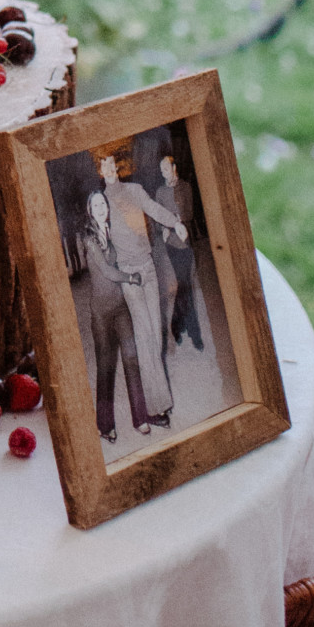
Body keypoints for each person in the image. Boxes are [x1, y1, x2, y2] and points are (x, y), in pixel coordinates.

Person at [95, 145, 188, 427]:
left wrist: (175, 222)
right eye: (104, 166)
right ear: (99, 171)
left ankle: (157, 400)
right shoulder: (101, 201)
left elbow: (153, 208)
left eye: (112, 165)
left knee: (155, 339)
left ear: (117, 167)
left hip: (148, 268)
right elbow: (98, 230)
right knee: (145, 337)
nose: (109, 170)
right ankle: (155, 407)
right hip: (131, 276)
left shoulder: (134, 190)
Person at [82, 191, 150, 441]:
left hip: (120, 307)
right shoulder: (89, 238)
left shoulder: (113, 231)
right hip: (101, 313)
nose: (100, 207)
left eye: (103, 203)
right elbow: (109, 272)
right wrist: (131, 277)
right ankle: (104, 425)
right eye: (95, 204)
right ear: (90, 210)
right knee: (105, 367)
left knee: (131, 358)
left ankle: (141, 418)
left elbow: (131, 248)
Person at [154, 153, 203, 352]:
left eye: (166, 168)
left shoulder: (185, 187)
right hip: (172, 245)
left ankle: (176, 325)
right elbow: (157, 219)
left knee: (185, 287)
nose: (163, 172)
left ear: (174, 168)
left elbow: (190, 214)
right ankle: (195, 334)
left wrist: (174, 217)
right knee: (185, 286)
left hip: (186, 243)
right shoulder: (160, 192)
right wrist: (163, 228)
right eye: (161, 170)